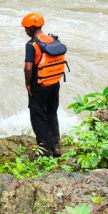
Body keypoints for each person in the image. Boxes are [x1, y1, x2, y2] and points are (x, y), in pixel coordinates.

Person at [22, 12, 64, 157]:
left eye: (26, 28)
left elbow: (28, 67)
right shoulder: (52, 39)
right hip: (54, 82)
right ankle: (56, 147)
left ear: (32, 28)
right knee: (52, 114)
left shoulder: (32, 44)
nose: (25, 31)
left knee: (38, 115)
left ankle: (44, 150)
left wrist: (28, 83)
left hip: (39, 84)